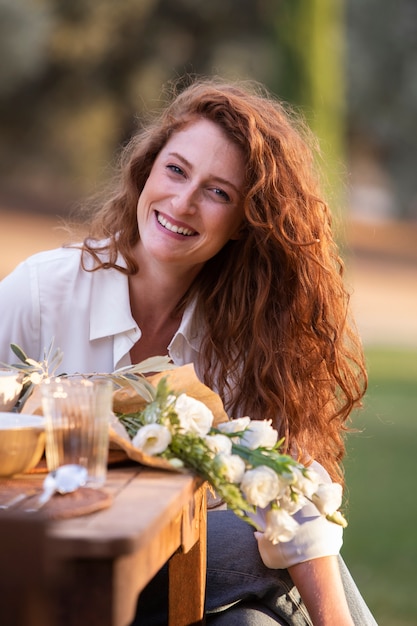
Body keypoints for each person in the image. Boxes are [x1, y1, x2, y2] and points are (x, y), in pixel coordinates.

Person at [0, 77, 377, 625]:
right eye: (176, 170)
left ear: (245, 224)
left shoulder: (244, 338)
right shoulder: (40, 291)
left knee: (251, 621)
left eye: (218, 192)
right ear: (147, 169)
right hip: (45, 568)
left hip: (170, 574)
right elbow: (285, 514)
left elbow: (279, 478)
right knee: (271, 540)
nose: (183, 201)